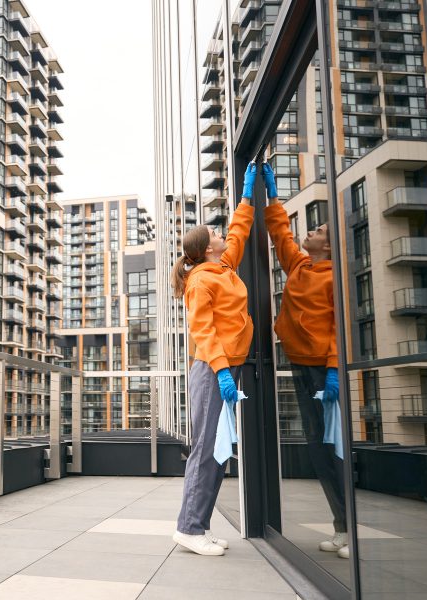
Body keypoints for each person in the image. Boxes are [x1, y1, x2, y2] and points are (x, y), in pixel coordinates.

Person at [261, 163, 349, 559]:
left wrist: (332, 369)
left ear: (327, 246)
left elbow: (340, 327)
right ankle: (342, 527)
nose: (309, 232)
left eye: (317, 232)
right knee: (317, 446)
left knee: (331, 447)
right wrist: (272, 195)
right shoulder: (299, 265)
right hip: (300, 364)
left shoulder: (334, 278)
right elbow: (279, 233)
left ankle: (348, 528)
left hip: (322, 370)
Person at [170, 163, 258, 556]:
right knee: (207, 449)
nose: (223, 235)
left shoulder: (224, 268)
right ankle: (189, 528)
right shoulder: (201, 281)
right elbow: (203, 332)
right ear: (207, 248)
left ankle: (199, 525)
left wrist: (247, 197)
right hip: (212, 369)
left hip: (225, 368)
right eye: (215, 234)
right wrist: (223, 372)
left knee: (218, 449)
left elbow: (238, 232)